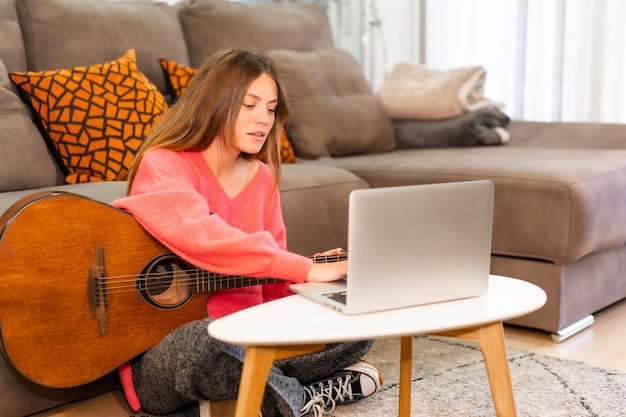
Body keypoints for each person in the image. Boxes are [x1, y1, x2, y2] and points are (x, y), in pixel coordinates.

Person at [111, 48, 382, 417]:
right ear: (215, 103)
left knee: (357, 321)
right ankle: (300, 398)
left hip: (253, 337)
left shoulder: (263, 178)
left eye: (270, 108)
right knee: (207, 343)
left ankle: (241, 399)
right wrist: (305, 268)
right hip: (168, 354)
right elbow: (201, 235)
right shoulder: (164, 164)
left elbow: (272, 287)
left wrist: (322, 287)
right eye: (249, 104)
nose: (263, 119)